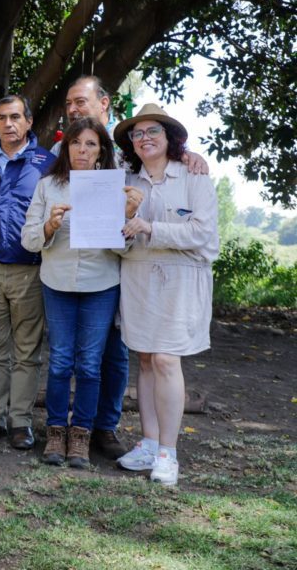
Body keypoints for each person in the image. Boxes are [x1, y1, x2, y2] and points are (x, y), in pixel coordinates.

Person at [52, 75, 209, 460]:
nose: (74, 109)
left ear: (104, 104)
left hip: (127, 271)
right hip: (114, 265)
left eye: (82, 102)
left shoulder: (134, 156)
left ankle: (106, 428)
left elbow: (181, 203)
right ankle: (89, 430)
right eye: (69, 103)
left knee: (117, 354)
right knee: (126, 354)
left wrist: (189, 155)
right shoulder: (73, 151)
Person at [21, 117, 143, 467]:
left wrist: (126, 215)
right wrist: (49, 226)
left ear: (102, 150)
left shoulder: (115, 189)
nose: (83, 150)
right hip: (57, 283)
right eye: (77, 143)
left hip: (100, 285)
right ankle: (56, 432)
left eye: (91, 144)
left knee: (90, 364)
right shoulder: (48, 186)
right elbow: (29, 241)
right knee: (60, 361)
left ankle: (81, 435)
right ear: (66, 147)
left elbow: (125, 252)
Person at [112, 104, 218, 486]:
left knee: (166, 360)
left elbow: (201, 233)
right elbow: (116, 241)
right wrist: (124, 222)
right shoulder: (127, 181)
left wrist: (150, 227)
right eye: (137, 134)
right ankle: (149, 442)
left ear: (170, 137)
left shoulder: (194, 176)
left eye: (152, 131)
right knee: (144, 359)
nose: (144, 139)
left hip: (182, 280)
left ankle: (168, 454)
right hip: (138, 276)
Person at [0, 95, 56, 450]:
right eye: (1, 117)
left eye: (15, 117)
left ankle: (20, 422)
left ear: (29, 121)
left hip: (31, 269)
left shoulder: (46, 163)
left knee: (27, 351)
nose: (8, 124)